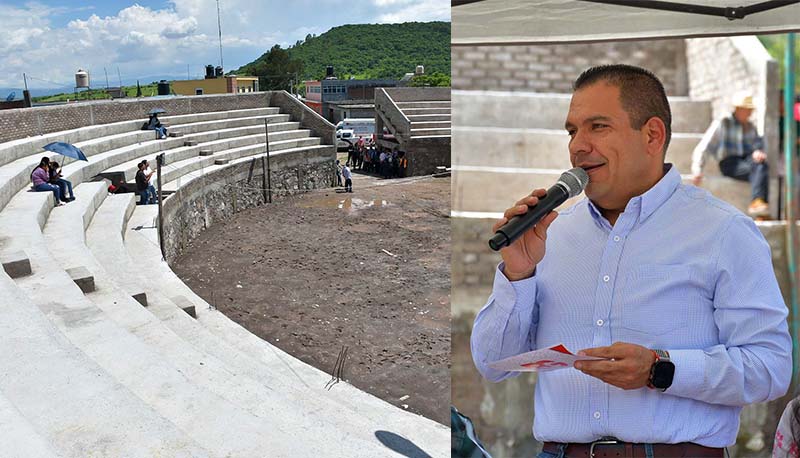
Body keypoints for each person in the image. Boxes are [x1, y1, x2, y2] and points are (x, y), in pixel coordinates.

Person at [471, 64, 792, 457]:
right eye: (572, 131)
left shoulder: (724, 232)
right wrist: (518, 274)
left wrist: (661, 369)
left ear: (652, 135)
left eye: (598, 127)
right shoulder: (550, 233)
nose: (578, 146)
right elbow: (492, 363)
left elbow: (770, 368)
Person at [691, 92, 769, 216]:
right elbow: (704, 147)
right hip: (729, 163)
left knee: (761, 166)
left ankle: (758, 202)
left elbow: (756, 147)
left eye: (750, 110)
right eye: (747, 110)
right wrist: (697, 169)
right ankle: (759, 206)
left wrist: (757, 153)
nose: (750, 113)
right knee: (757, 170)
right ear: (738, 109)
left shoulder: (750, 127)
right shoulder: (723, 123)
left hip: (747, 161)